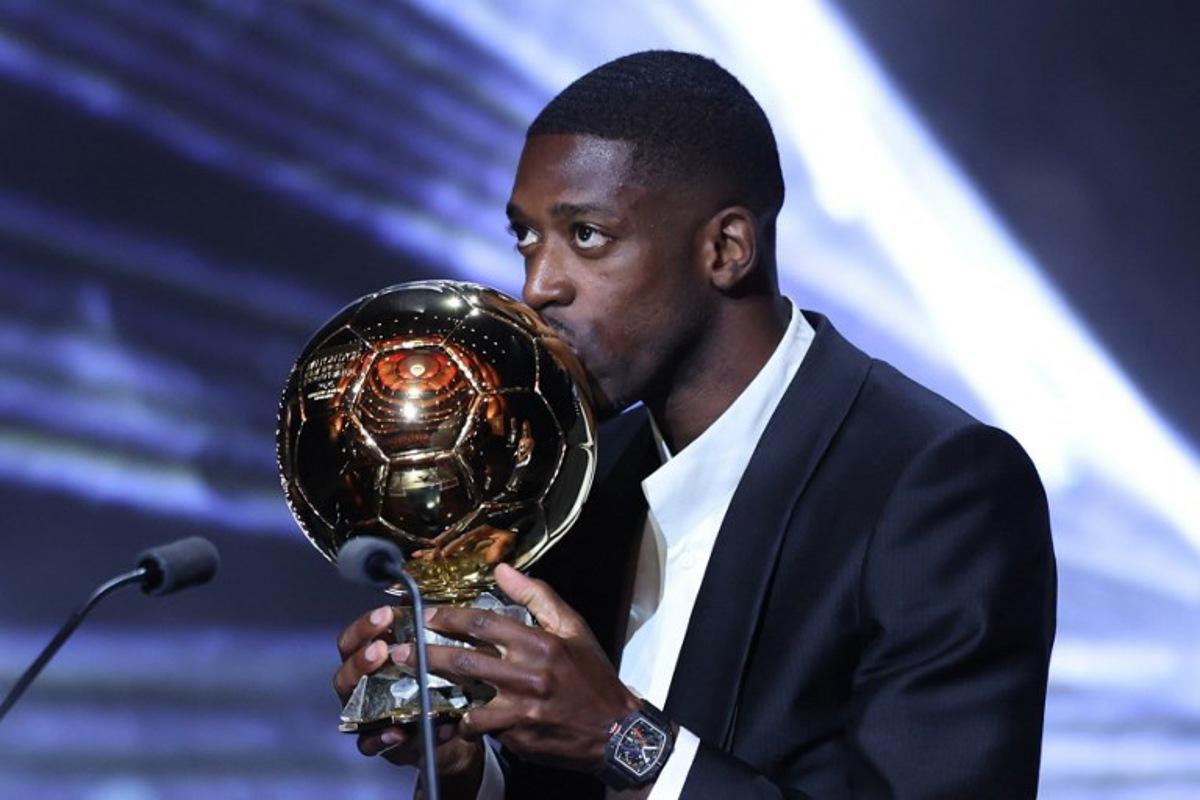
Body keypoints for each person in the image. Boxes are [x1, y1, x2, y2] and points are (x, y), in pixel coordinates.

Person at [333, 51, 1056, 799]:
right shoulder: (577, 475)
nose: (537, 286)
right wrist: (465, 766)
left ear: (726, 250)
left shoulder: (937, 486)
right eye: (527, 238)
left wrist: (624, 741)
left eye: (586, 235)